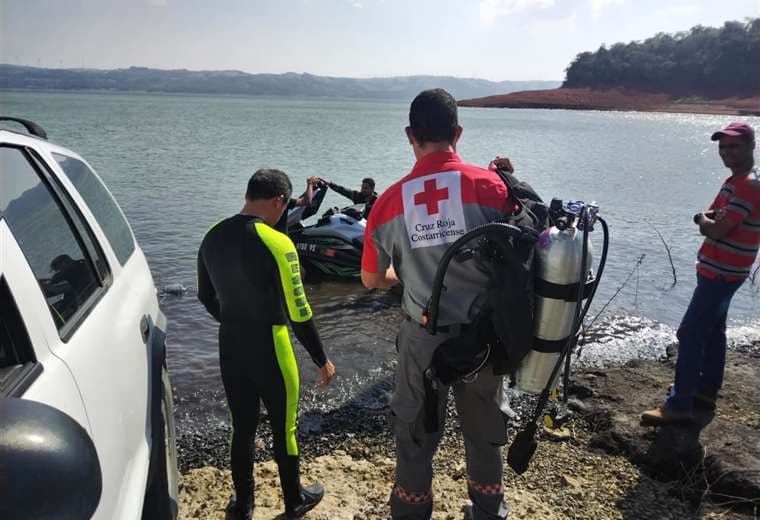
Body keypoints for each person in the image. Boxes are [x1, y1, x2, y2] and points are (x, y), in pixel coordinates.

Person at [361, 89, 514, 519]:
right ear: (458, 133)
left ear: (409, 135)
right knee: (484, 430)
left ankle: (411, 513)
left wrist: (407, 275)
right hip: (484, 339)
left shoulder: (390, 201)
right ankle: (487, 511)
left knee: (414, 431)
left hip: (421, 337)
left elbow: (372, 279)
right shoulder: (492, 188)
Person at [197, 169, 337, 519]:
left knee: (242, 426)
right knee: (284, 426)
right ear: (278, 201)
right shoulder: (276, 242)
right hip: (271, 347)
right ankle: (294, 500)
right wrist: (321, 358)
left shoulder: (212, 236)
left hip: (229, 344)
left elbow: (205, 295)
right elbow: (299, 311)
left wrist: (233, 322)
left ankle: (243, 505)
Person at [642, 122, 758, 426]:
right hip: (720, 271)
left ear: (750, 146)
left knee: (690, 332)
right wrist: (707, 220)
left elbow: (715, 227)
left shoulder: (748, 185)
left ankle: (679, 404)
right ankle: (705, 393)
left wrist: (708, 223)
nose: (726, 151)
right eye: (722, 146)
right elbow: (707, 214)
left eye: (733, 145)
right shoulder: (735, 182)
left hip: (722, 273)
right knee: (714, 331)